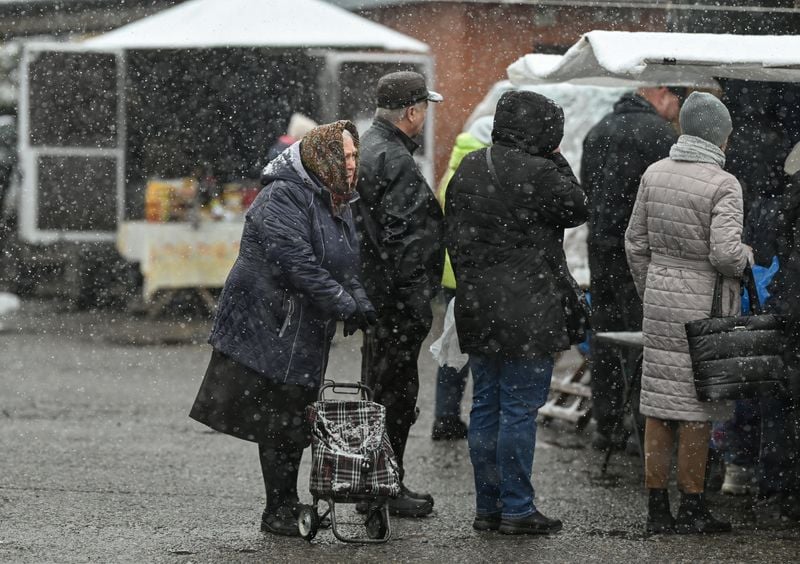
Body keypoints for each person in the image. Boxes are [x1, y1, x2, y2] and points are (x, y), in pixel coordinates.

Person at [189, 120, 376, 537]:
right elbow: (297, 263)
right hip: (270, 322)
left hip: (300, 324)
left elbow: (343, 261)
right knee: (279, 419)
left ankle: (288, 504)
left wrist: (360, 301)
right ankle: (278, 509)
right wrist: (345, 304)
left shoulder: (334, 197)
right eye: (344, 156)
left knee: (294, 416)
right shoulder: (283, 196)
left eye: (353, 155)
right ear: (323, 156)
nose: (351, 164)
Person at [445, 90, 589, 535]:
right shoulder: (542, 172)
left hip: (476, 304)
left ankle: (488, 507)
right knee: (520, 410)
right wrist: (556, 158)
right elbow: (578, 208)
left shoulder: (470, 167)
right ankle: (518, 508)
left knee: (486, 405)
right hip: (529, 308)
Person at [625, 92, 750, 535]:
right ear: (719, 136)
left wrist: (651, 286)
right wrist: (747, 259)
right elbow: (725, 254)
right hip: (704, 307)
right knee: (697, 408)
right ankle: (693, 506)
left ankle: (657, 510)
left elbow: (634, 242)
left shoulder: (654, 173)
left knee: (659, 407)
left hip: (660, 302)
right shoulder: (724, 183)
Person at [355, 70, 444, 517]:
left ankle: (375, 485)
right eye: (424, 108)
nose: (425, 116)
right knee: (395, 398)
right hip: (393, 303)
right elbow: (405, 242)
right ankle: (383, 489)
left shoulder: (367, 148)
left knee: (377, 394)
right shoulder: (395, 159)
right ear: (412, 112)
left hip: (373, 297)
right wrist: (416, 307)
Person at [581, 86, 682, 450]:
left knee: (605, 334)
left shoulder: (598, 129)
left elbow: (587, 192)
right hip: (641, 249)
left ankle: (606, 423)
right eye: (676, 99)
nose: (676, 109)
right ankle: (645, 427)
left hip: (601, 245)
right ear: (659, 94)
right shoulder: (659, 134)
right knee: (643, 335)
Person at [431, 114, 493, 441]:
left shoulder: (454, 168)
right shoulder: (480, 172)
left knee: (452, 345)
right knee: (473, 348)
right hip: (472, 272)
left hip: (450, 272)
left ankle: (446, 415)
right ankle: (453, 417)